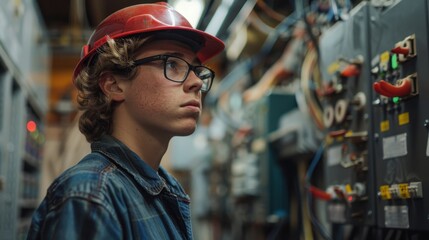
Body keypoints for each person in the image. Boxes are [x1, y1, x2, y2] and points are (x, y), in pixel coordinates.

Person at [27, 2, 224, 239]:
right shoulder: (91, 196)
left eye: (196, 70)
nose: (196, 83)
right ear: (114, 85)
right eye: (172, 64)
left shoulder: (163, 189)